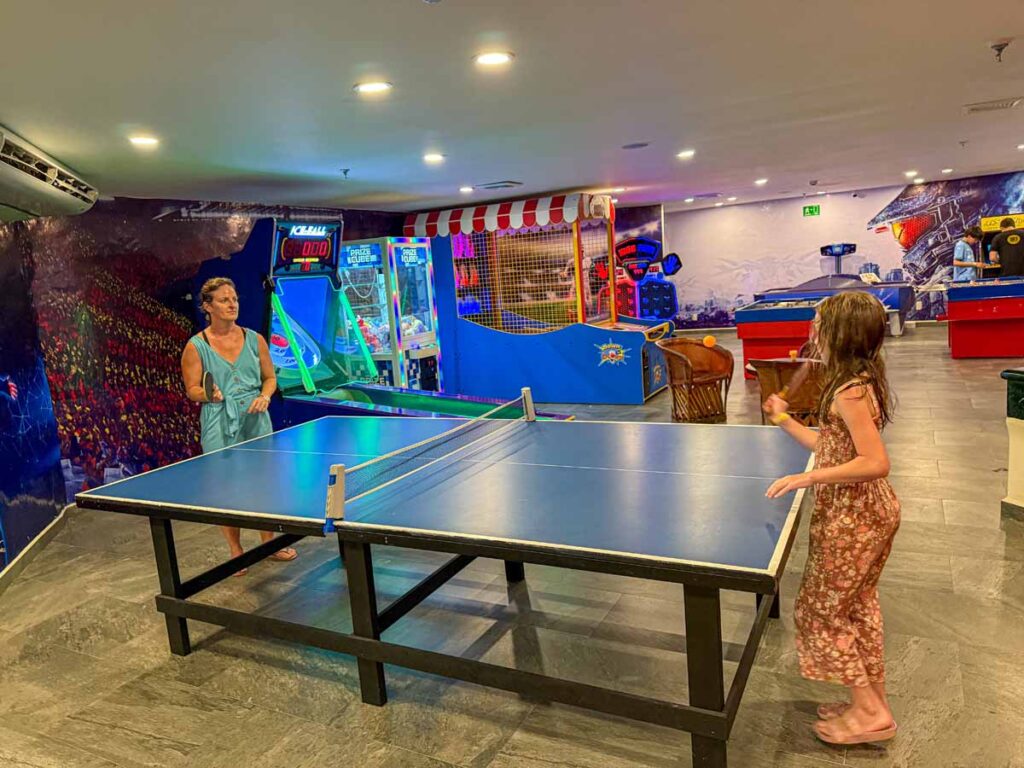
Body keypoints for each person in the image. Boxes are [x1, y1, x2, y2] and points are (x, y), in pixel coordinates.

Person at [762, 291, 900, 746]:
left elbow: (874, 460)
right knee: (854, 608)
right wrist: (784, 420)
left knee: (820, 612)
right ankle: (870, 701)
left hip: (854, 517)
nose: (812, 330)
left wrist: (806, 480)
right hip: (868, 513)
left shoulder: (849, 389)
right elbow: (832, 444)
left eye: (819, 322)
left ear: (840, 333)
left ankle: (868, 712)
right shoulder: (860, 378)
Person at [180, 277, 297, 572]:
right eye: (224, 300)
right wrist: (209, 393)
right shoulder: (196, 346)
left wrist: (264, 396)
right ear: (207, 307)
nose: (232, 304)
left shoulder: (254, 339)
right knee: (225, 487)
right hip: (218, 418)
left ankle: (269, 543)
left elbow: (270, 378)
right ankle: (235, 550)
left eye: (234, 299)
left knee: (263, 481)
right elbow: (192, 389)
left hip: (256, 416)